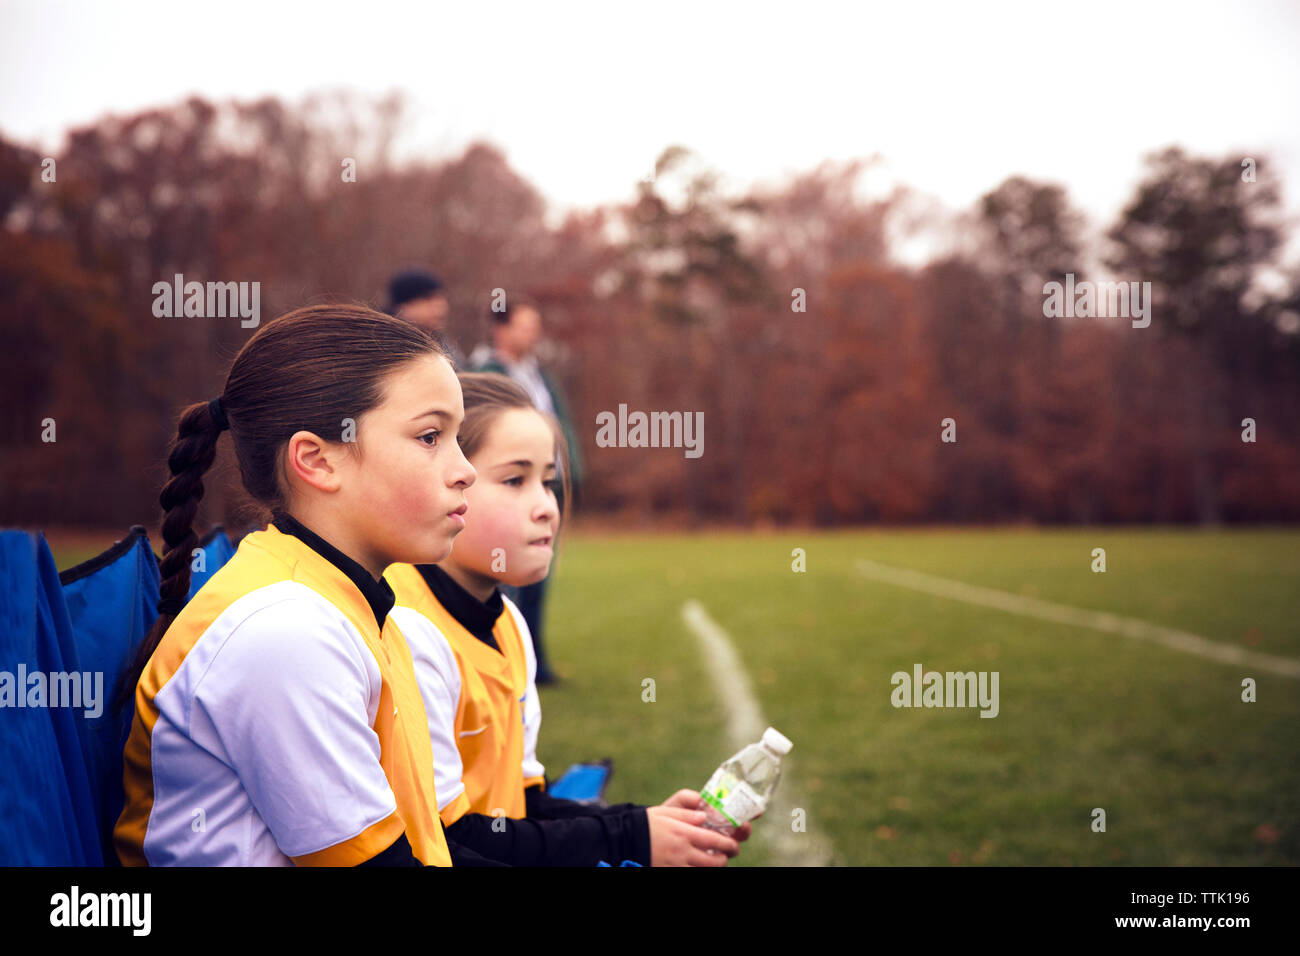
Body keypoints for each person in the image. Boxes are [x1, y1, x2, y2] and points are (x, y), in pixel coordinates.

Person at [113, 304, 481, 866]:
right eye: (431, 436)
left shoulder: (351, 603)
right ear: (317, 460)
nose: (465, 470)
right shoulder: (283, 630)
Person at [384, 373, 749, 866]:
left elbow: (520, 804)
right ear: (446, 480)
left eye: (549, 481)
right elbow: (447, 840)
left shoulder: (509, 624)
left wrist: (649, 824)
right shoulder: (404, 629)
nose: (546, 508)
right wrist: (628, 837)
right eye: (515, 480)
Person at [473, 295, 582, 684]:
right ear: (501, 328)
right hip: (510, 488)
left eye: (536, 326)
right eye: (525, 325)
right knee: (504, 575)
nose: (533, 334)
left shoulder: (540, 376)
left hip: (546, 482)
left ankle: (535, 661)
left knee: (539, 572)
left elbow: (561, 426)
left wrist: (570, 473)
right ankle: (501, 660)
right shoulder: (484, 372)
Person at [387, 268, 465, 368]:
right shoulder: (387, 348)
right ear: (404, 305)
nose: (440, 306)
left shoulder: (446, 346)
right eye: (428, 299)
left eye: (441, 298)